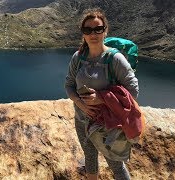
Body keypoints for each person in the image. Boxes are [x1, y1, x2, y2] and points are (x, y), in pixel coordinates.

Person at [64, 8, 139, 180]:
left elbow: (133, 91)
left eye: (98, 29)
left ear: (105, 30)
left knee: (115, 164)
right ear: (83, 33)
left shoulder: (115, 59)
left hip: (107, 124)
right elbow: (69, 85)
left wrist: (102, 99)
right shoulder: (78, 57)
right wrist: (81, 104)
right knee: (90, 158)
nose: (93, 34)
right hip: (82, 120)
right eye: (87, 30)